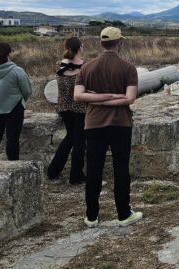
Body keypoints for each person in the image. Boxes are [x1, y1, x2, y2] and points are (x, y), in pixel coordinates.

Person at [74, 27, 142, 228]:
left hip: (93, 123)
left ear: (101, 43)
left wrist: (97, 100)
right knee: (121, 170)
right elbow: (130, 99)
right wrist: (113, 97)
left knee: (94, 169)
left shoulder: (86, 68)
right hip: (120, 124)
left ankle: (92, 216)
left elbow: (78, 96)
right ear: (120, 43)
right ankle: (123, 214)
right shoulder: (128, 68)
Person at [0, 42, 32, 161]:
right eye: (12, 50)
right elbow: (27, 90)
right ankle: (13, 166)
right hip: (14, 108)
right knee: (13, 139)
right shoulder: (17, 70)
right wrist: (21, 100)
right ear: (8, 53)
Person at [47, 37, 88, 184]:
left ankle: (53, 170)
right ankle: (76, 175)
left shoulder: (59, 65)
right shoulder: (84, 67)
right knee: (79, 142)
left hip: (64, 107)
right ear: (79, 49)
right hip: (80, 107)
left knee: (70, 137)